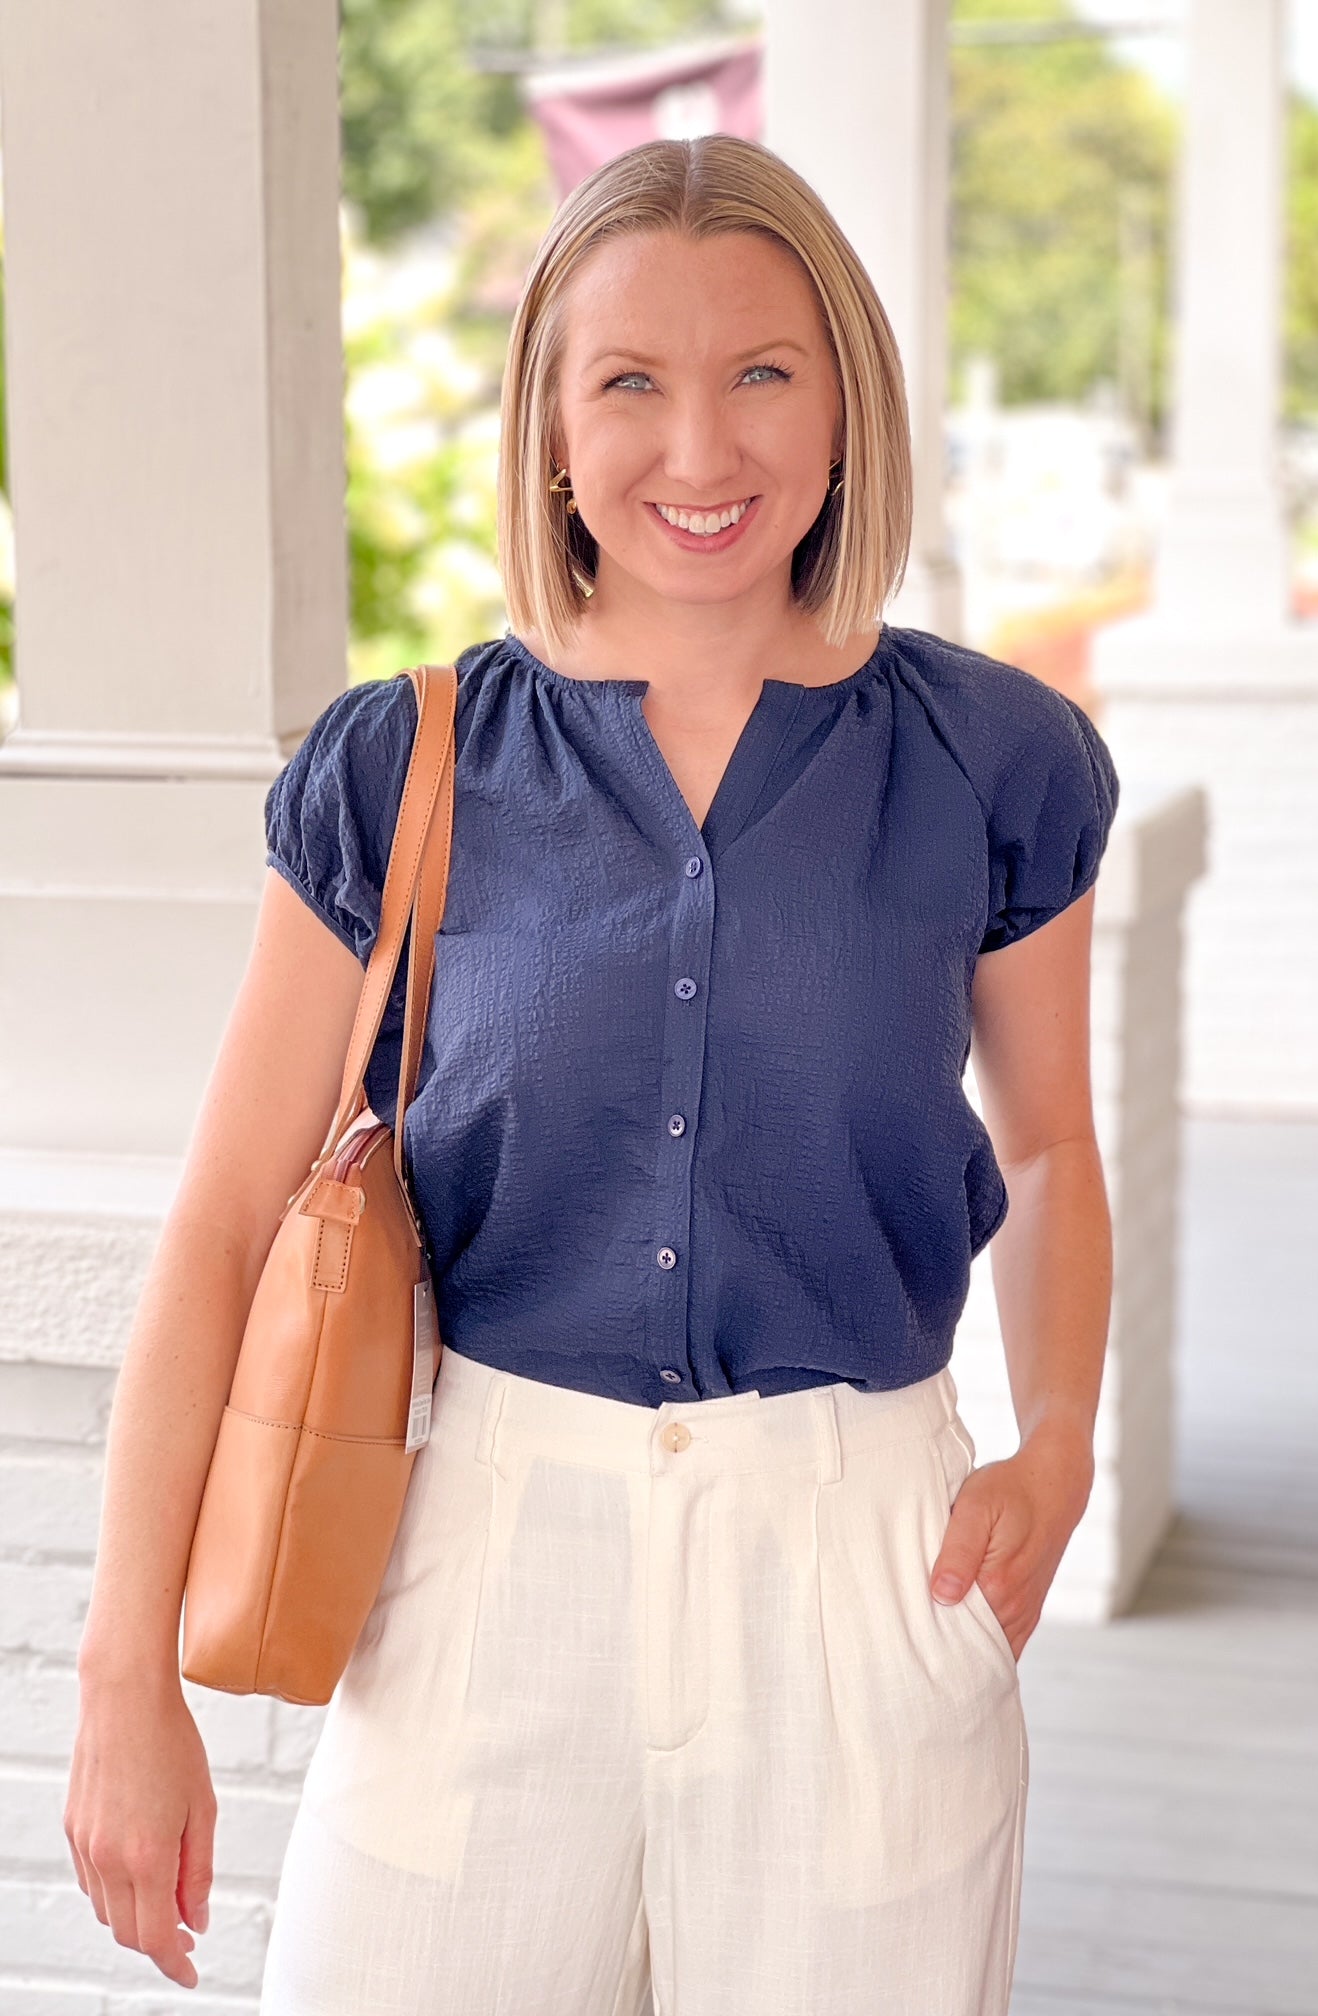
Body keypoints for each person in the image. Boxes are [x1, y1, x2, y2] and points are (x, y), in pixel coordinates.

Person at [66, 134, 1118, 2016]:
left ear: (844, 399)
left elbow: (1046, 1145)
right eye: (629, 381)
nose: (698, 452)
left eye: (759, 374)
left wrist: (1056, 1441)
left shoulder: (994, 758)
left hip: (857, 1576)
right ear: (550, 424)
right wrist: (122, 1681)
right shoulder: (403, 768)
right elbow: (225, 1224)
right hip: (479, 1569)